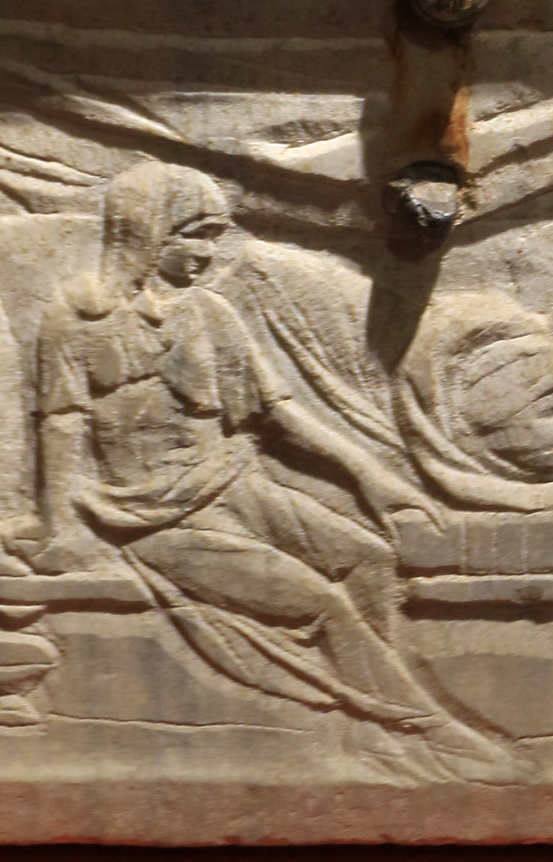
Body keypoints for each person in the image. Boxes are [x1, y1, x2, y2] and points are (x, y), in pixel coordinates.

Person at [26, 160, 516, 782]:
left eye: (213, 235)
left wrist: (375, 480)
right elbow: (60, 423)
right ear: (146, 235)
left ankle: (367, 736)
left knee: (368, 558)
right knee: (321, 604)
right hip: (147, 514)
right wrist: (53, 526)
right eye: (192, 235)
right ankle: (427, 730)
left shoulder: (209, 316)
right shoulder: (77, 321)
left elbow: (281, 415)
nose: (208, 251)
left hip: (232, 483)